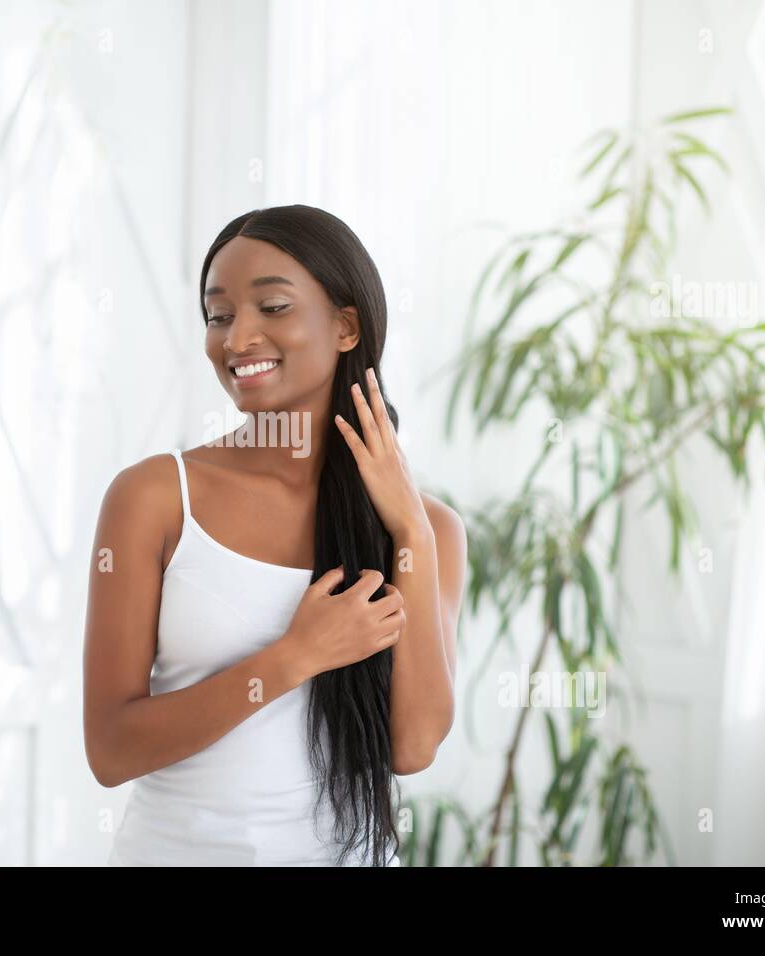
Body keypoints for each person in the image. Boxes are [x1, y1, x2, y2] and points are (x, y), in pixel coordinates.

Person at [83, 204, 466, 866]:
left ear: (347, 326)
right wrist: (294, 657)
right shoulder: (153, 499)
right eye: (219, 315)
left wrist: (409, 529)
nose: (236, 340)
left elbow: (413, 748)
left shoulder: (428, 529)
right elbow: (111, 751)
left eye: (273, 308)